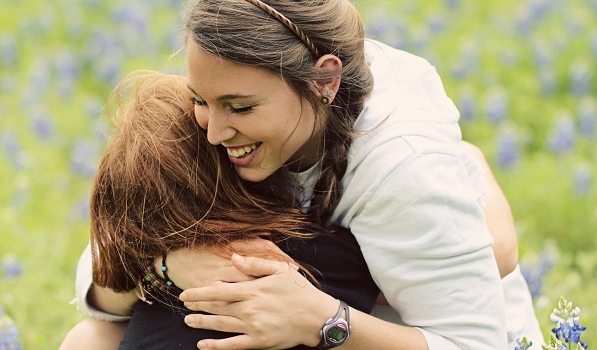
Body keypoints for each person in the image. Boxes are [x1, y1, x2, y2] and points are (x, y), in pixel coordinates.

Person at [64, 0, 543, 348]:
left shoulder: (402, 162)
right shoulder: (207, 124)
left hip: (395, 332)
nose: (213, 132)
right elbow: (100, 276)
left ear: (326, 81)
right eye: (199, 98)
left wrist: (321, 319)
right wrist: (168, 267)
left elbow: (476, 343)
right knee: (90, 341)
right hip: (277, 321)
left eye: (240, 106)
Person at [62, 70, 381, 350]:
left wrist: (162, 268)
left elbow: (110, 267)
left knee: (87, 338)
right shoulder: (319, 253)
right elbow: (411, 307)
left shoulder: (158, 272)